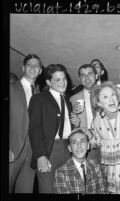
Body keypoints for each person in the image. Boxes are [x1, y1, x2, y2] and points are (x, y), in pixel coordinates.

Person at [28, 64, 79, 193]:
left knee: (67, 189)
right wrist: (40, 156)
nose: (63, 82)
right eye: (57, 80)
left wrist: (76, 123)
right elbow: (34, 129)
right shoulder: (38, 98)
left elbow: (66, 125)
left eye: (64, 78)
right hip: (48, 151)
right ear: (48, 82)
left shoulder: (68, 100)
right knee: (48, 189)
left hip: (67, 149)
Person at [9, 54, 42, 193]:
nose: (33, 67)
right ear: (23, 67)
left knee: (25, 190)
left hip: (32, 152)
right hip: (13, 148)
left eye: (36, 65)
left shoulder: (41, 94)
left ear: (40, 70)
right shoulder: (11, 88)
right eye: (29, 64)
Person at [53, 128, 107, 194]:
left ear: (88, 146)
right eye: (74, 142)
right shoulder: (61, 172)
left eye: (82, 141)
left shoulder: (96, 166)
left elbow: (102, 191)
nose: (79, 146)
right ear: (69, 148)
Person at [70, 64, 101, 164]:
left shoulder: (106, 94)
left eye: (90, 74)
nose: (86, 77)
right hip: (88, 146)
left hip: (107, 143)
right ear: (80, 78)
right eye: (83, 75)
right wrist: (75, 122)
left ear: (96, 76)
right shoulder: (73, 99)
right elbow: (71, 128)